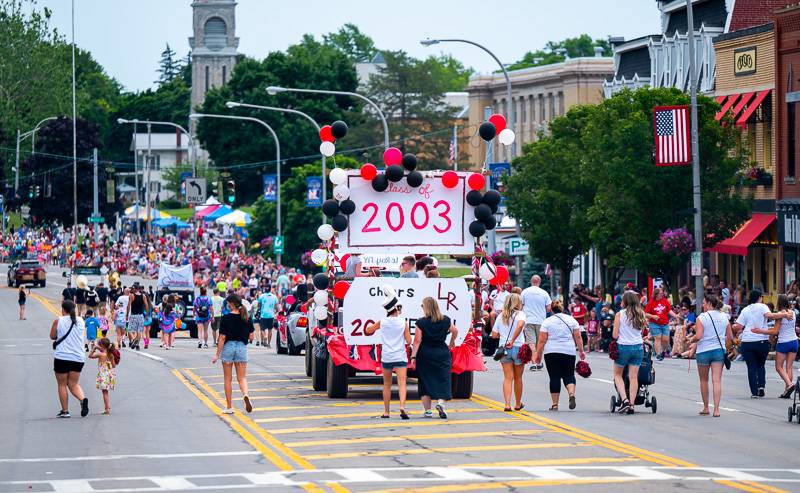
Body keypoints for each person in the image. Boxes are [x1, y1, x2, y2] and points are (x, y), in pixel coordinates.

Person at [733, 290, 791, 398]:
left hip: (748, 342)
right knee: (760, 365)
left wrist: (733, 326)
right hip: (762, 341)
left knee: (751, 367)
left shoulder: (745, 309)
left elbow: (739, 326)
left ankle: (754, 392)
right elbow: (770, 316)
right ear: (759, 297)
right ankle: (761, 387)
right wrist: (784, 314)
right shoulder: (762, 306)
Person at [365, 287, 412, 419]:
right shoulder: (403, 322)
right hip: (400, 356)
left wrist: (369, 327)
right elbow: (409, 340)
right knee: (402, 383)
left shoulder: (383, 321)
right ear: (397, 308)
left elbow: (369, 330)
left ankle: (386, 411)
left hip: (387, 356)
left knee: (387, 384)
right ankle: (402, 406)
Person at [534, 300, 585, 411]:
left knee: (554, 377)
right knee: (569, 375)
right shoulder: (571, 320)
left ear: (552, 309)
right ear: (562, 308)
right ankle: (571, 394)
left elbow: (542, 340)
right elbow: (578, 337)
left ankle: (555, 404)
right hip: (568, 351)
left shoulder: (547, 321)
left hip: (551, 351)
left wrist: (538, 354)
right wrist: (581, 351)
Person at [410, 297, 457, 419]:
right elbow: (455, 330)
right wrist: (452, 341)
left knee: (425, 381)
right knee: (443, 379)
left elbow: (417, 341)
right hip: (442, 353)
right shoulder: (445, 320)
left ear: (426, 308)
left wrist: (413, 356)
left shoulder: (421, 322)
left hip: (425, 354)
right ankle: (441, 403)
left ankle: (428, 411)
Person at [212, 294, 254, 414]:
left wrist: (217, 354)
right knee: (242, 378)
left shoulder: (226, 318)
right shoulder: (246, 317)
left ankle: (229, 407)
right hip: (241, 348)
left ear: (231, 304)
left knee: (227, 379)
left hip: (228, 348)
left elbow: (222, 338)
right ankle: (245, 394)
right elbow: (251, 336)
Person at [692, 294, 732, 417]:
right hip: (718, 351)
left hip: (703, 351)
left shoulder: (701, 318)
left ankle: (705, 407)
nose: (702, 305)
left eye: (704, 303)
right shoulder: (724, 317)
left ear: (709, 304)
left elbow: (698, 336)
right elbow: (730, 337)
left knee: (704, 380)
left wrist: (691, 340)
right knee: (717, 380)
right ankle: (716, 410)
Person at [50, 300, 89, 418]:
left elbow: (52, 336)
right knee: (73, 384)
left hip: (62, 356)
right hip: (78, 357)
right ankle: (83, 399)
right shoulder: (81, 321)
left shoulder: (58, 321)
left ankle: (65, 411)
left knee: (62, 384)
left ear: (63, 309)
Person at [612, 291, 647, 415]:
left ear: (625, 301)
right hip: (638, 347)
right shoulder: (641, 313)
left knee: (618, 375)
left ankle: (625, 400)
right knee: (633, 377)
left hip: (623, 347)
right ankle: (632, 405)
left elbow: (615, 335)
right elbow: (642, 332)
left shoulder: (619, 314)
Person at [756, 294, 797, 398]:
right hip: (794, 341)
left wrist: (760, 331)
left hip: (783, 342)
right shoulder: (793, 313)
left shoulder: (779, 315)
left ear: (779, 302)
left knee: (778, 367)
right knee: (789, 367)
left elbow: (775, 331)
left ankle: (790, 384)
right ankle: (786, 391)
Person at [491, 293, 526, 412]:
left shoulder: (501, 316)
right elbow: (521, 324)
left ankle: (507, 404)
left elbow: (494, 334)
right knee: (518, 378)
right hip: (518, 348)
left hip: (504, 349)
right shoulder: (520, 314)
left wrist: (505, 337)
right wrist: (513, 339)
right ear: (518, 303)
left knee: (507, 378)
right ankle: (517, 404)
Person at [521, 275, 551, 371]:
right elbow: (549, 308)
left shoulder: (525, 292)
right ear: (539, 282)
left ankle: (533, 363)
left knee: (531, 343)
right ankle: (538, 362)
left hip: (528, 320)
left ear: (531, 281)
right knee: (540, 343)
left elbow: (521, 306)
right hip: (541, 322)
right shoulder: (544, 293)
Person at [644, 288, 678, 361]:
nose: (662, 294)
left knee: (666, 339)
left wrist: (675, 316)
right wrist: (653, 316)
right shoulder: (651, 302)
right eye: (660, 293)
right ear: (656, 294)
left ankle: (663, 351)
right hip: (654, 323)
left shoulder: (664, 300)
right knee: (658, 338)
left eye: (662, 293)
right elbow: (645, 314)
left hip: (665, 323)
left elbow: (669, 310)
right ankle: (658, 354)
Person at [88, 337, 118, 415]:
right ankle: (107, 408)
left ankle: (107, 409)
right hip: (110, 374)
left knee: (104, 393)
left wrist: (94, 348)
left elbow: (90, 356)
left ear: (101, 345)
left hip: (103, 376)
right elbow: (114, 365)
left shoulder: (100, 354)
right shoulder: (110, 354)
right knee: (106, 392)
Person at [125, 285, 149, 351]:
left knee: (130, 330)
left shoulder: (131, 296)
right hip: (140, 315)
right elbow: (146, 305)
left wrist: (127, 314)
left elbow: (128, 305)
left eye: (132, 288)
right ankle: (137, 344)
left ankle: (134, 340)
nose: (131, 290)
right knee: (139, 331)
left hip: (134, 315)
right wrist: (147, 314)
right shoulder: (143, 296)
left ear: (135, 289)